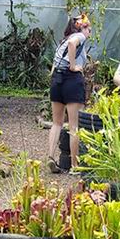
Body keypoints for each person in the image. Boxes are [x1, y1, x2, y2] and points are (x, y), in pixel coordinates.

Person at [47, 14, 92, 174]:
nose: (89, 33)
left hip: (57, 80)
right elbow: (74, 44)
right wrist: (73, 66)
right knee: (74, 126)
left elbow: (54, 64)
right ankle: (74, 166)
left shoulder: (62, 41)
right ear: (82, 27)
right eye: (89, 29)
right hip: (71, 80)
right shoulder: (78, 37)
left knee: (57, 122)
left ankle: (51, 157)